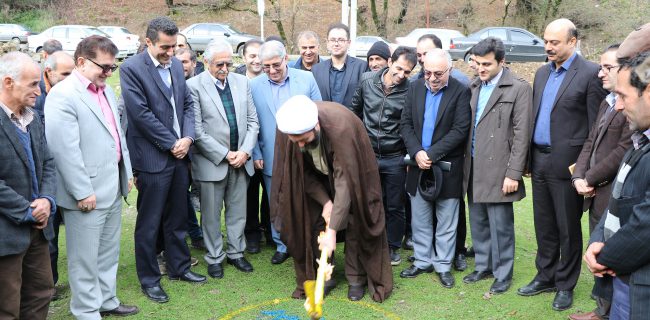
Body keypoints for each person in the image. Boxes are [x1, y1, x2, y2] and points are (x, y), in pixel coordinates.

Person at [517, 18, 608, 311]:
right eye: (546, 41)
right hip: (540, 160)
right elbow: (536, 117)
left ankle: (565, 284)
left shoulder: (591, 73)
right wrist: (529, 159)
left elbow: (596, 128)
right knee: (543, 224)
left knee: (567, 228)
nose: (548, 47)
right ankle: (545, 276)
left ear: (573, 42)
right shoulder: (542, 73)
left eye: (554, 42)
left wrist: (585, 172)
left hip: (570, 166)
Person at [44, 35, 139, 319]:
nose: (110, 73)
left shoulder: (105, 89)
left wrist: (128, 172)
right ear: (82, 62)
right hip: (85, 195)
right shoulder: (62, 96)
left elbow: (118, 134)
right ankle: (87, 311)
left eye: (113, 67)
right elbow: (64, 151)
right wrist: (82, 191)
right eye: (105, 67)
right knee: (84, 259)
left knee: (108, 254)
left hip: (112, 187)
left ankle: (107, 301)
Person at [272, 95, 393, 302]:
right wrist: (326, 202)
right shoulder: (289, 130)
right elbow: (301, 175)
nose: (300, 146)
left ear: (316, 126)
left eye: (304, 140)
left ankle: (356, 277)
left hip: (353, 175)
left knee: (355, 220)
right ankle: (324, 275)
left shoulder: (341, 127)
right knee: (312, 219)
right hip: (319, 179)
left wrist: (333, 230)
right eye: (296, 141)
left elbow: (345, 181)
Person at [120, 16, 206, 304]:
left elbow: (188, 104)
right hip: (153, 159)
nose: (171, 53)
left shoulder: (178, 67)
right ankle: (149, 279)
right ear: (148, 42)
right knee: (150, 222)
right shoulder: (131, 69)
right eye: (165, 47)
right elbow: (140, 114)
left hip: (181, 156)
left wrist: (188, 139)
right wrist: (172, 143)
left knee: (178, 216)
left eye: (174, 47)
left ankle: (179, 267)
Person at [461, 37, 532, 294]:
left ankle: (503, 273)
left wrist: (513, 173)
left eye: (487, 64)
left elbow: (522, 133)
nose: (481, 68)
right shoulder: (473, 85)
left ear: (502, 62)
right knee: (478, 220)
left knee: (500, 226)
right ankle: (483, 265)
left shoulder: (518, 88)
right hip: (473, 164)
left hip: (500, 168)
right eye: (477, 63)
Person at [583, 51, 650, 320]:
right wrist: (597, 241)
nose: (618, 107)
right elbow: (616, 202)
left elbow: (645, 227)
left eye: (623, 96)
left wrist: (603, 258)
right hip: (623, 282)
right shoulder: (640, 140)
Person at [187, 39, 259, 279]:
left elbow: (252, 122)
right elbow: (197, 131)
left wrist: (245, 152)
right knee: (210, 213)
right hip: (212, 163)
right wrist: (224, 154)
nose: (225, 68)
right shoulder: (193, 86)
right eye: (219, 64)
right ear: (206, 62)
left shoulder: (242, 82)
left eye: (229, 63)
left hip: (241, 160)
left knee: (238, 211)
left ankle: (236, 253)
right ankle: (215, 257)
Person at [399, 49, 471, 289]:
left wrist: (430, 154)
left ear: (449, 70)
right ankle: (421, 260)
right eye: (427, 72)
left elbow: (460, 130)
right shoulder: (414, 87)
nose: (431, 78)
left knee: (447, 219)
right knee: (419, 217)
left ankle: (442, 264)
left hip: (447, 167)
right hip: (417, 163)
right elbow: (406, 124)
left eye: (438, 73)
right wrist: (418, 152)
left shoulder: (461, 92)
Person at [250, 40, 322, 264]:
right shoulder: (254, 85)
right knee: (277, 202)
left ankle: (307, 241)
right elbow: (250, 121)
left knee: (308, 198)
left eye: (275, 65)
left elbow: (319, 112)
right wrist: (255, 152)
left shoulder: (307, 78)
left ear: (285, 59)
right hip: (271, 155)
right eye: (266, 67)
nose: (271, 71)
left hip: (306, 153)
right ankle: (282, 244)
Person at [0, 51, 56, 320]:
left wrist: (46, 200)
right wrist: (27, 210)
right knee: (7, 305)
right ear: (8, 82)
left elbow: (48, 162)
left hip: (38, 229)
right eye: (33, 84)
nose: (40, 90)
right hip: (6, 232)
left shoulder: (31, 118)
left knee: (41, 293)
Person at [350, 46, 417, 266]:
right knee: (368, 201)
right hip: (367, 154)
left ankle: (393, 246)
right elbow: (355, 113)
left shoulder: (411, 91)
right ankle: (370, 242)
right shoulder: (367, 81)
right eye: (398, 68)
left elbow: (410, 126)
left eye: (407, 72)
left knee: (395, 205)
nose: (401, 75)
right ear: (389, 62)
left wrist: (406, 156)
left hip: (394, 156)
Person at [233, 38, 269, 254]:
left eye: (260, 55)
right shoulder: (237, 81)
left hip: (269, 146)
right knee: (248, 192)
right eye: (252, 56)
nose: (256, 60)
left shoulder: (271, 77)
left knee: (270, 193)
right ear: (244, 57)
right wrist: (250, 150)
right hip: (245, 148)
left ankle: (269, 228)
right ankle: (251, 233)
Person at [312, 23, 368, 109]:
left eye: (341, 40)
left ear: (349, 43)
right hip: (324, 120)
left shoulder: (362, 67)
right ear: (327, 43)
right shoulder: (316, 70)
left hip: (352, 120)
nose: (336, 44)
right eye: (333, 40)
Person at [34, 51, 74, 123]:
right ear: (49, 71)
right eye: (65, 74)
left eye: (73, 74)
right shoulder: (34, 95)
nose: (71, 78)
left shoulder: (75, 90)